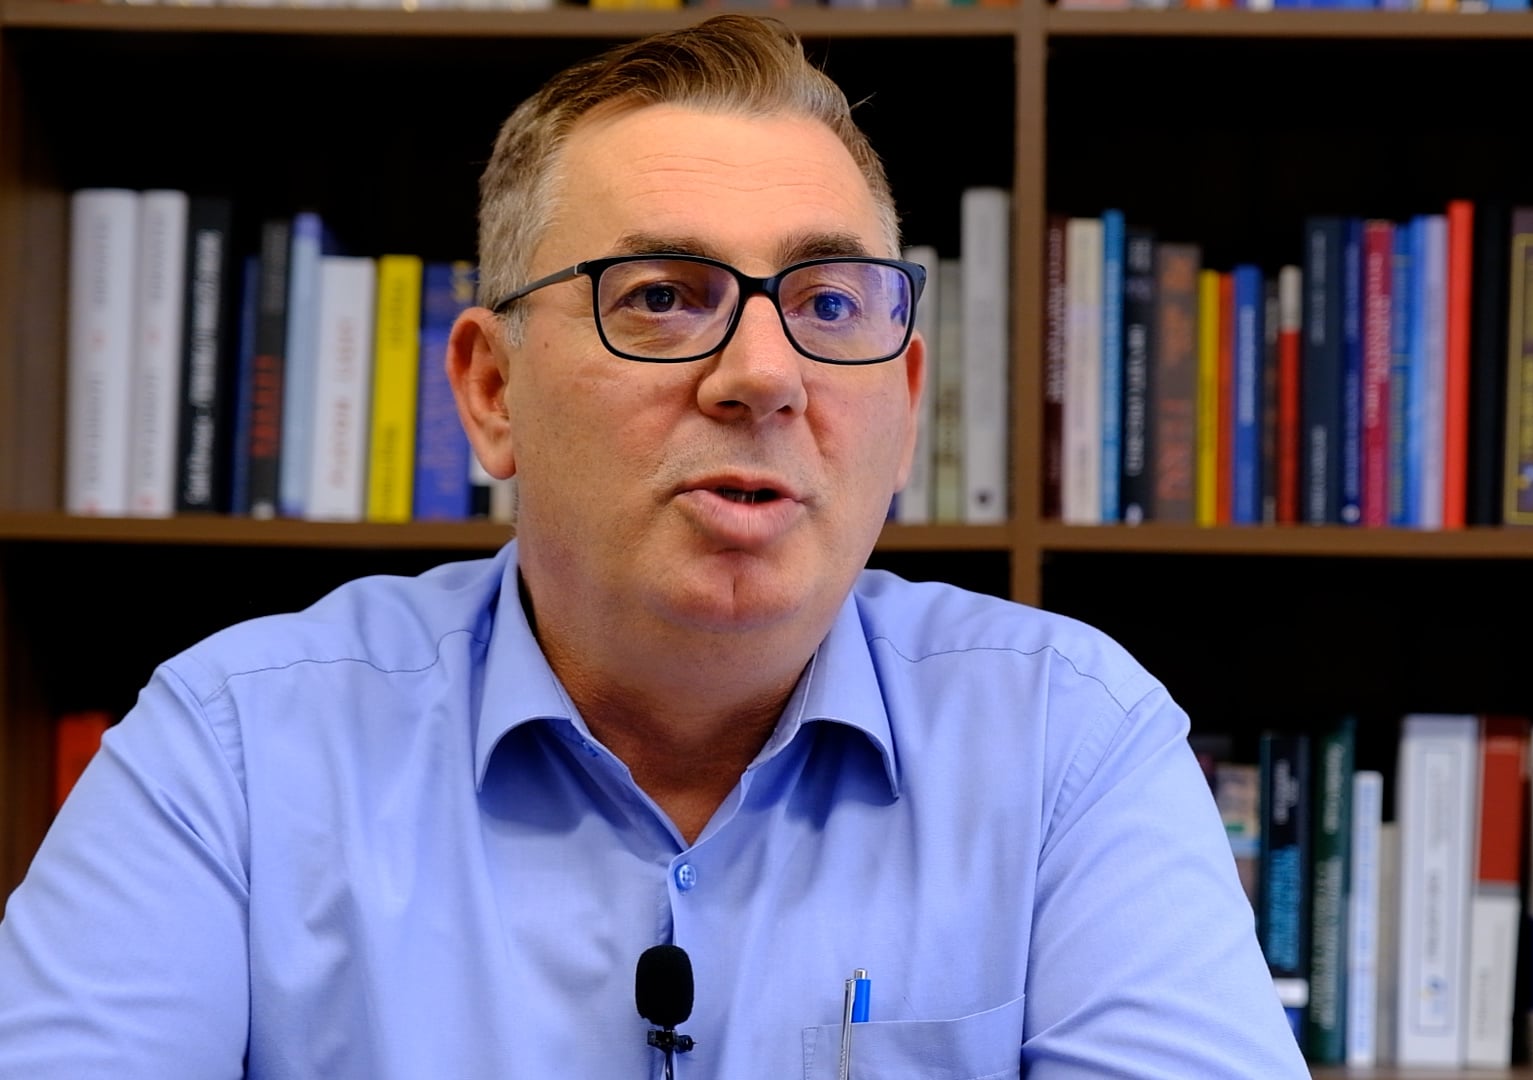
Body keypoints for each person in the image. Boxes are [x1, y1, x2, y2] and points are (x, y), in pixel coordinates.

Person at [0, 15, 1305, 1078]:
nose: (764, 374)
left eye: (828, 302)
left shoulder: (1071, 742)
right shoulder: (234, 754)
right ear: (491, 392)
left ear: (905, 406)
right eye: (664, 298)